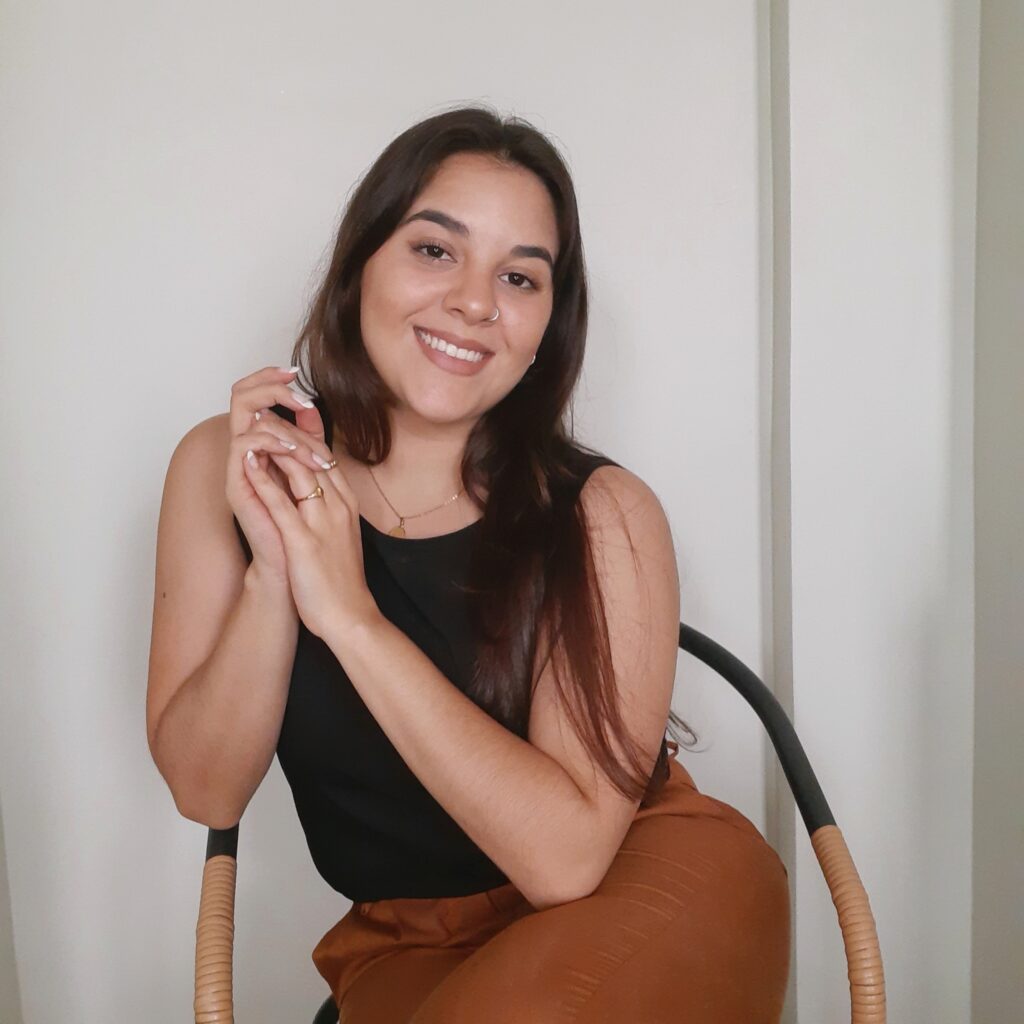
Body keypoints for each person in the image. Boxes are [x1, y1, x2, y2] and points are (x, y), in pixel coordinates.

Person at [146, 105, 790, 1023]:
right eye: (435, 250)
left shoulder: (603, 512)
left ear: (547, 325)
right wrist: (277, 573)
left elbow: (566, 860)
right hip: (406, 943)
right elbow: (204, 787)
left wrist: (351, 617)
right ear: (360, 264)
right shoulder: (231, 463)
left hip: (636, 882)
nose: (476, 303)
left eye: (519, 277)